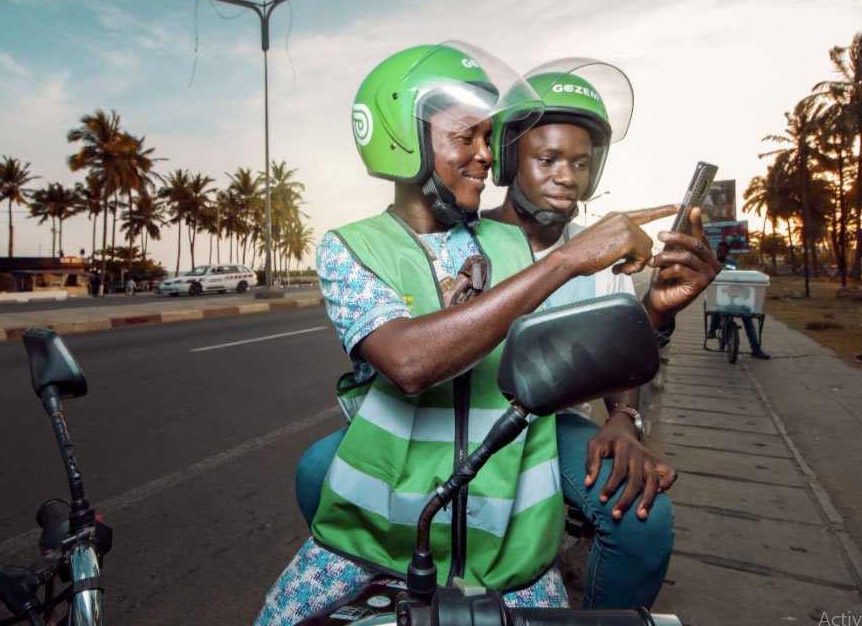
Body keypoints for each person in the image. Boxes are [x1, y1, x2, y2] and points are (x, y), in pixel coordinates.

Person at [258, 42, 675, 624]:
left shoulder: (510, 243)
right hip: (371, 547)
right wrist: (567, 259)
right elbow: (407, 362)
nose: (487, 158)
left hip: (512, 557)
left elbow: (586, 349)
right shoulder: (350, 248)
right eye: (467, 138)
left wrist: (654, 310)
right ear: (403, 138)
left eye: (489, 139)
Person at [482, 59, 719, 608]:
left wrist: (623, 417)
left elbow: (619, 363)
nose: (568, 176)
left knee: (642, 521)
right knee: (317, 471)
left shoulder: (610, 250)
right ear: (509, 155)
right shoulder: (461, 237)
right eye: (547, 158)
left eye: (582, 162)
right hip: (454, 416)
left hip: (543, 423)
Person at [707, 241, 770, 359]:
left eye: (722, 251)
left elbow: (739, 278)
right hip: (720, 297)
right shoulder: (712, 264)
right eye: (718, 250)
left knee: (748, 318)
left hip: (736, 297)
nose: (719, 253)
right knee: (713, 307)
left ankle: (755, 349)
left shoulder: (733, 264)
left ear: (727, 252)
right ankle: (712, 330)